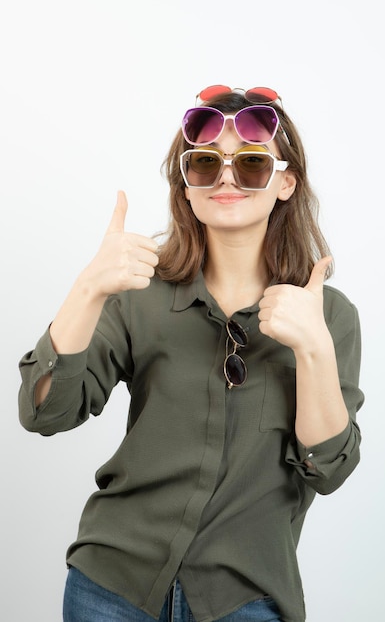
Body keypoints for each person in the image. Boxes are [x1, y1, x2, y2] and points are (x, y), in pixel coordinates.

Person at [18, 85, 364, 622]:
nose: (226, 178)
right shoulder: (138, 293)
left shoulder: (328, 315)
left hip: (243, 599)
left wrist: (314, 348)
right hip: (112, 589)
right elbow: (45, 411)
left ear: (285, 182)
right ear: (186, 182)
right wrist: (88, 288)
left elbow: (328, 469)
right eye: (204, 163)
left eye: (251, 164)